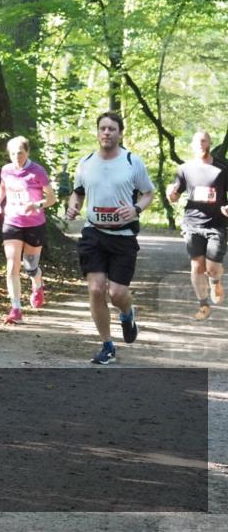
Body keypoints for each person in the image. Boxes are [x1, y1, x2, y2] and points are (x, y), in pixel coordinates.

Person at [65, 112, 154, 364]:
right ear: (97, 132)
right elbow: (78, 193)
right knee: (95, 289)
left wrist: (136, 209)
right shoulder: (86, 162)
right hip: (93, 234)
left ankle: (127, 313)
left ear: (120, 133)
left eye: (112, 129)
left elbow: (148, 194)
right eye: (102, 128)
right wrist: (73, 207)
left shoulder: (131, 161)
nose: (106, 132)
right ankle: (107, 345)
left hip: (123, 237)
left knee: (116, 294)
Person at [0, 136, 57, 324]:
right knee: (12, 265)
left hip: (34, 224)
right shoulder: (6, 170)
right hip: (12, 221)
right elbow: (2, 188)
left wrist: (37, 204)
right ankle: (16, 308)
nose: (16, 157)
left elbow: (52, 199)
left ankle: (37, 282)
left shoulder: (37, 172)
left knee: (30, 267)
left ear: (27, 152)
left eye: (20, 152)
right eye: (12, 153)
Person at [165, 130, 228, 320]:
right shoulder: (184, 169)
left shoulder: (223, 168)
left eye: (204, 140)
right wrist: (171, 194)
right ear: (192, 145)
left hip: (216, 223)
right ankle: (203, 305)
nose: (201, 144)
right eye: (197, 141)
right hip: (192, 223)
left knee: (212, 268)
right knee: (196, 267)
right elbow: (175, 197)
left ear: (209, 143)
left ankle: (215, 282)